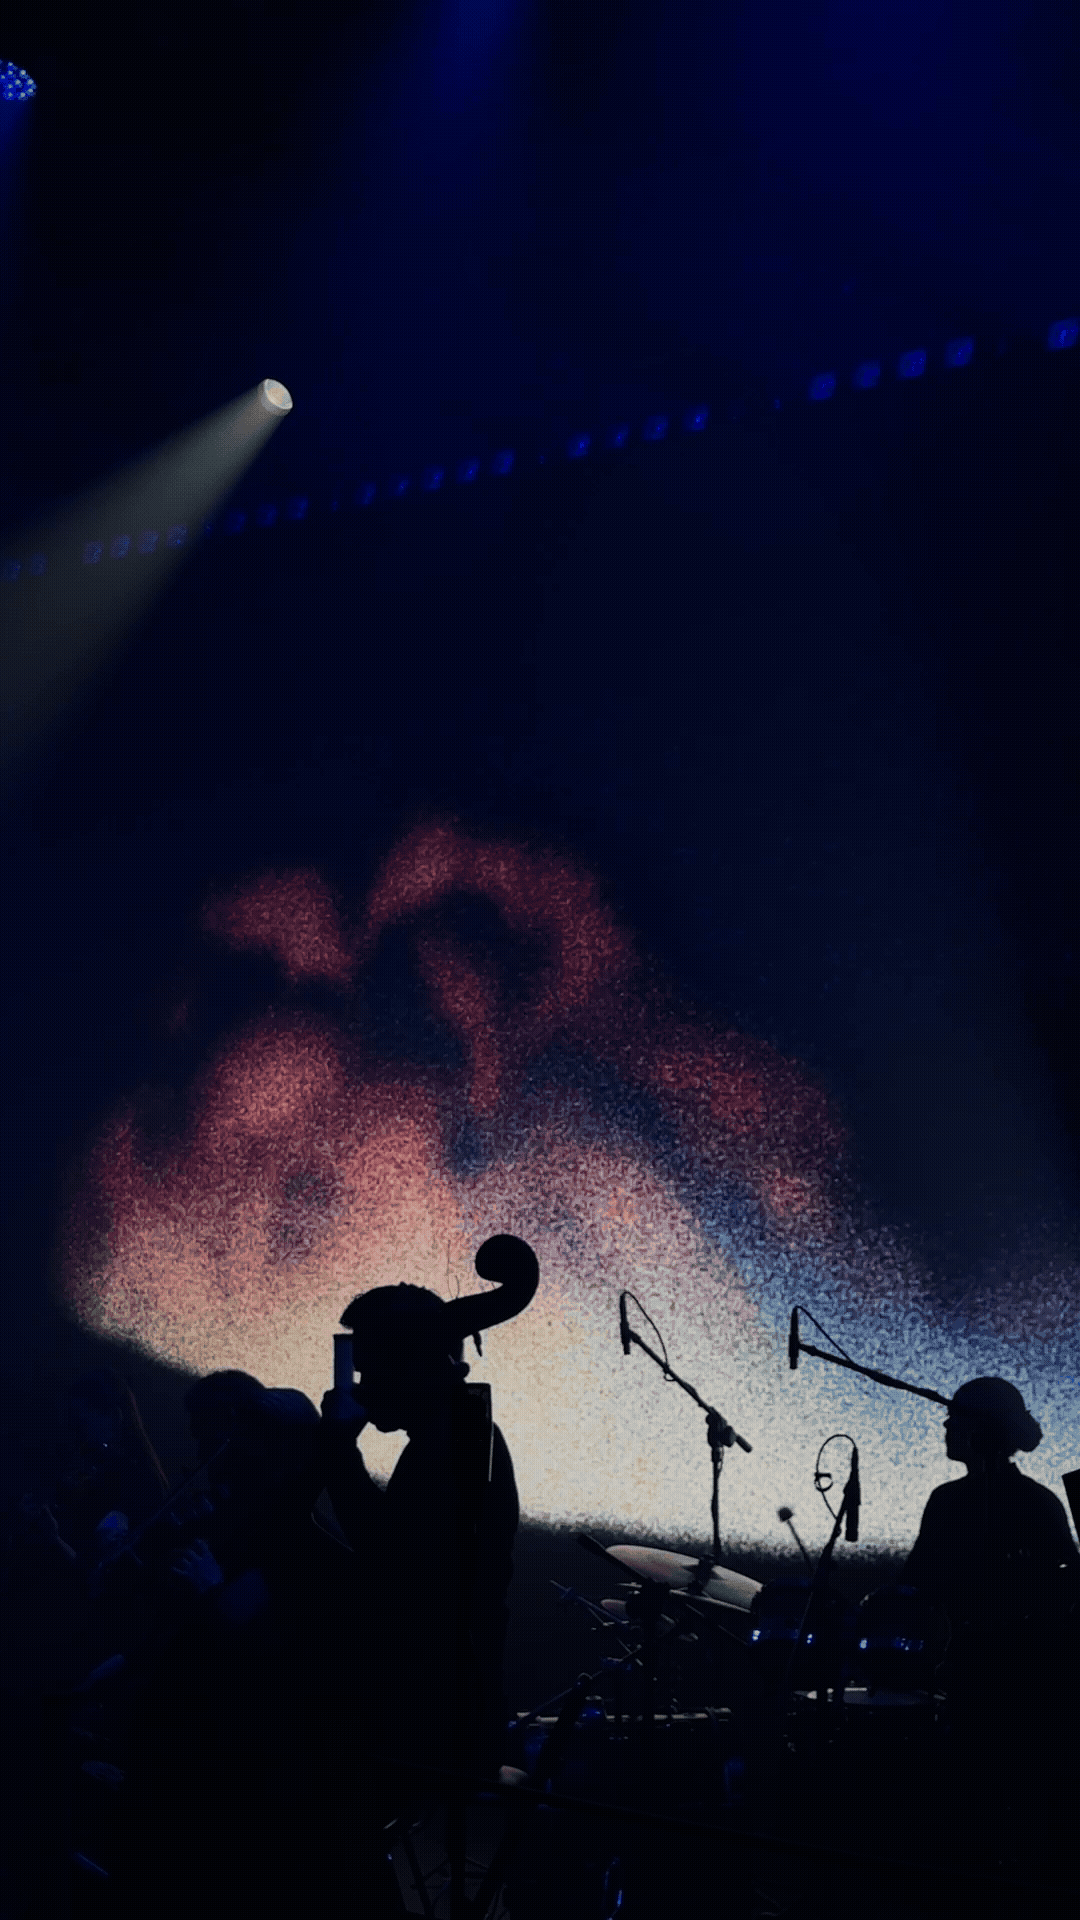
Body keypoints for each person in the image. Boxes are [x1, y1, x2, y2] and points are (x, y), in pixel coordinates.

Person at [319, 1237, 537, 1811]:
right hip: (440, 1702)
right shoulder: (457, 1433)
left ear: (408, 1366)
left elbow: (388, 1556)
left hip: (430, 1713)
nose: (362, 1388)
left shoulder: (452, 1442)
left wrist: (338, 1449)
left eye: (371, 1370)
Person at [903, 1376, 1080, 1908]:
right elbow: (915, 1588)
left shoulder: (1021, 1504)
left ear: (982, 1430)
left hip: (1015, 1687)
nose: (945, 1425)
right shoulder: (994, 1501)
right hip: (981, 1679)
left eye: (956, 1418)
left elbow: (1066, 1590)